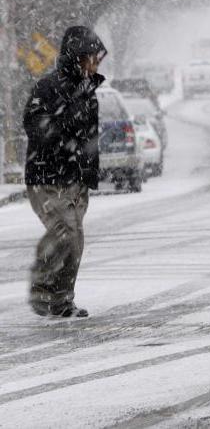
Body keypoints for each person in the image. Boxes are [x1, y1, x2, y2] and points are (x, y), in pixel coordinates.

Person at [23, 26, 107, 318]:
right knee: (64, 233)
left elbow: (91, 137)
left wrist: (90, 172)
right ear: (77, 57)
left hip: (75, 180)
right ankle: (42, 288)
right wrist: (62, 134)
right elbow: (33, 124)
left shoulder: (88, 92)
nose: (96, 64)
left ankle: (61, 299)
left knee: (75, 241)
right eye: (91, 58)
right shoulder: (48, 87)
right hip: (47, 176)